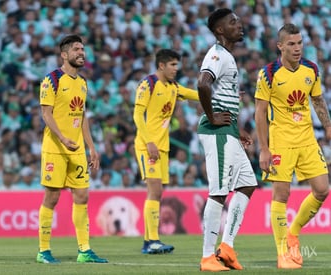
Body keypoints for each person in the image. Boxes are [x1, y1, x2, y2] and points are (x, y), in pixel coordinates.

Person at [254, 23, 330, 269]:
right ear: (280, 46)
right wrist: (264, 149)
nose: (297, 49)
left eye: (299, 43)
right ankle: (282, 253)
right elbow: (260, 112)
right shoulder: (268, 74)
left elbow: (317, 100)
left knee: (322, 189)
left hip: (307, 139)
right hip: (281, 141)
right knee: (281, 195)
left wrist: (328, 126)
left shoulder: (311, 69)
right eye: (291, 44)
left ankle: (293, 232)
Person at [36, 34, 107, 264]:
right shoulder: (52, 80)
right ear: (64, 55)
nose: (81, 52)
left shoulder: (83, 83)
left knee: (82, 195)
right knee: (52, 196)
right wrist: (63, 138)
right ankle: (43, 251)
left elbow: (82, 115)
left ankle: (84, 250)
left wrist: (92, 147)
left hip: (76, 149)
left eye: (83, 49)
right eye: (76, 49)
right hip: (55, 148)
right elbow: (46, 114)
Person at [196, 8, 257, 271]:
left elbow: (224, 96)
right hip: (217, 132)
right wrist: (211, 116)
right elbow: (202, 83)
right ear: (220, 30)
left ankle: (227, 247)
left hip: (228, 130)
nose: (239, 24)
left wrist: (237, 126)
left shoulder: (228, 57)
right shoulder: (217, 54)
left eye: (238, 20)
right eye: (233, 22)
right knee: (219, 191)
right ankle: (208, 256)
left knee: (247, 184)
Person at [133, 48, 199, 254]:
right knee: (154, 190)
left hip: (163, 148)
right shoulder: (148, 84)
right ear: (161, 65)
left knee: (158, 192)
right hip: (148, 145)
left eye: (177, 65)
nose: (175, 69)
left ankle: (149, 241)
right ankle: (151, 240)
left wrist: (224, 96)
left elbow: (195, 95)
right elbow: (137, 116)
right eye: (172, 65)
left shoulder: (173, 87)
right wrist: (149, 142)